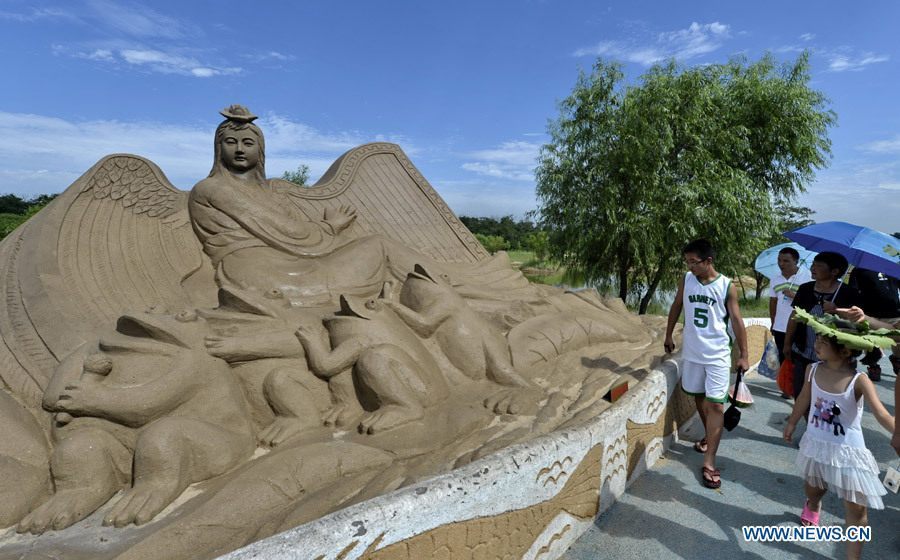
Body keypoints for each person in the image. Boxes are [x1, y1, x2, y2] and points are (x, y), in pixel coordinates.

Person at [783, 310, 894, 560]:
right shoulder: (812, 370)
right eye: (818, 338)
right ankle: (812, 505)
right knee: (813, 488)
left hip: (849, 454)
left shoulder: (859, 380)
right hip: (816, 444)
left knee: (856, 511)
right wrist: (791, 422)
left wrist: (896, 430)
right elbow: (803, 398)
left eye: (824, 341)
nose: (817, 343)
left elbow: (882, 414)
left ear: (845, 351)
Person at [664, 239, 749, 489]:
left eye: (694, 262)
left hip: (717, 355)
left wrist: (743, 353)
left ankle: (709, 461)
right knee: (700, 397)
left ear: (708, 261)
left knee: (716, 405)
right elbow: (677, 305)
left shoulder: (726, 286)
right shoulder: (687, 280)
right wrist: (668, 334)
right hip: (692, 353)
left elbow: (736, 319)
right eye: (687, 261)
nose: (690, 266)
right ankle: (707, 437)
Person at [782, 252, 861, 399]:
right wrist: (787, 343)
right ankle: (807, 420)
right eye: (813, 264)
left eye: (818, 265)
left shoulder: (849, 293)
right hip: (802, 350)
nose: (813, 268)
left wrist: (836, 310)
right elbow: (794, 317)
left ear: (834, 271)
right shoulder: (805, 289)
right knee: (800, 393)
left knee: (826, 396)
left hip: (834, 357)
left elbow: (856, 326)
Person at [766, 247, 811, 397]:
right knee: (783, 357)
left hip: (799, 325)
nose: (781, 264)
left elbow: (812, 301)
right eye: (779, 260)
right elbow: (773, 302)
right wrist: (773, 322)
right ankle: (786, 386)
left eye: (786, 261)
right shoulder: (775, 279)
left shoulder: (808, 277)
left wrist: (794, 295)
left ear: (796, 262)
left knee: (798, 357)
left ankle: (799, 387)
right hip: (780, 326)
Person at [848, 267, 900, 381]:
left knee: (897, 341)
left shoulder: (892, 267)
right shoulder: (859, 269)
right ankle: (873, 365)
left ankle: (897, 359)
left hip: (893, 312)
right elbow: (852, 290)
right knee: (871, 344)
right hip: (869, 313)